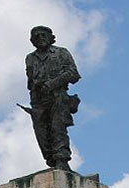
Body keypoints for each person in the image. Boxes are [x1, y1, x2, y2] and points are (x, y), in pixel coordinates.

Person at [22, 25, 81, 172]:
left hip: (57, 96)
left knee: (58, 128)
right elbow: (30, 81)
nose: (40, 38)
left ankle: (61, 159)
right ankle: (51, 160)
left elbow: (73, 73)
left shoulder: (61, 52)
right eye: (36, 36)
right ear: (32, 41)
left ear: (51, 38)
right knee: (41, 132)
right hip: (38, 100)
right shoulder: (30, 58)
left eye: (43, 35)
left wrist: (52, 84)